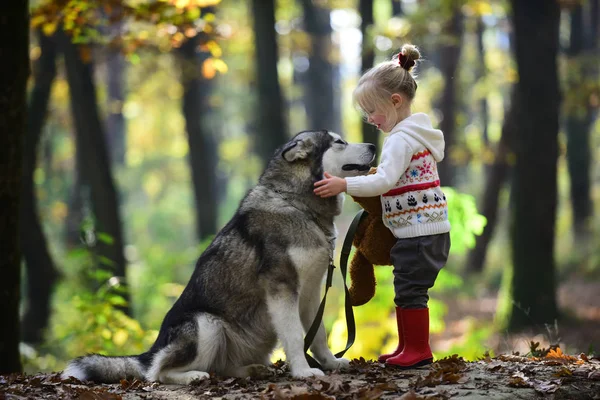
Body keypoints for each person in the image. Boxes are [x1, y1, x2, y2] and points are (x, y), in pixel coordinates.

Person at [313, 44, 451, 368]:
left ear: (395, 102)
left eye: (372, 111)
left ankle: (418, 350)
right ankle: (409, 347)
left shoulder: (402, 139)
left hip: (421, 233)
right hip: (423, 230)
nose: (370, 119)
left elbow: (384, 181)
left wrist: (344, 184)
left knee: (411, 291)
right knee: (406, 290)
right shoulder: (415, 134)